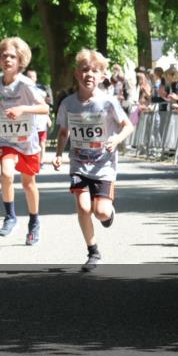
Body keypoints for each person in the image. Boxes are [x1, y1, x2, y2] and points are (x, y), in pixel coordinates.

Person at [53, 49, 134, 272]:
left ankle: (109, 213)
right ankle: (93, 251)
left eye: (95, 71)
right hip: (79, 163)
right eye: (85, 69)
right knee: (82, 206)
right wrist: (59, 154)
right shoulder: (68, 103)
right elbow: (63, 132)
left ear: (101, 76)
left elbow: (128, 126)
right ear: (76, 74)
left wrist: (116, 139)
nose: (89, 74)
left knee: (101, 212)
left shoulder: (108, 102)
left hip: (103, 165)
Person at [0, 37, 49, 245]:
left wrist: (22, 109)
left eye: (12, 56)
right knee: (6, 173)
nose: (7, 59)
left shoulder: (26, 84)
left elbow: (44, 108)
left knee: (28, 184)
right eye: (4, 56)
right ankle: (10, 217)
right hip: (7, 140)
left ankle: (34, 222)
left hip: (27, 141)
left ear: (20, 60)